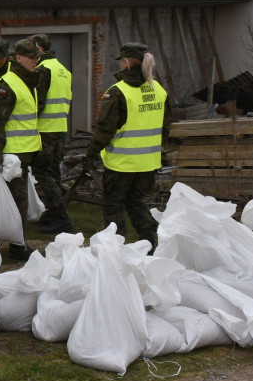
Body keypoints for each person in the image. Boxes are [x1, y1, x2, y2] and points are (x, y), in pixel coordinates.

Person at [85, 42, 171, 251]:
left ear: (125, 63)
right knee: (136, 202)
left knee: (113, 204)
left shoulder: (117, 92)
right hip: (148, 163)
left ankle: (115, 248)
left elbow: (105, 129)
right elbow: (165, 127)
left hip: (121, 164)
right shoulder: (158, 90)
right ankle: (150, 243)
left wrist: (91, 153)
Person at [0, 38, 43, 261]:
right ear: (18, 58)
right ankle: (17, 246)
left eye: (37, 57)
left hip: (23, 154)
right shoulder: (7, 86)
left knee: (18, 201)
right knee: (17, 201)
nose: (35, 61)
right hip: (12, 157)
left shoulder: (26, 81)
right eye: (31, 58)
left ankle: (16, 243)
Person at [30, 33, 75, 235]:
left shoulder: (43, 70)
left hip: (45, 129)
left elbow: (37, 103)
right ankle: (53, 214)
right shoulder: (63, 70)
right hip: (60, 129)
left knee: (42, 172)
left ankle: (61, 217)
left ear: (39, 49)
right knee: (53, 172)